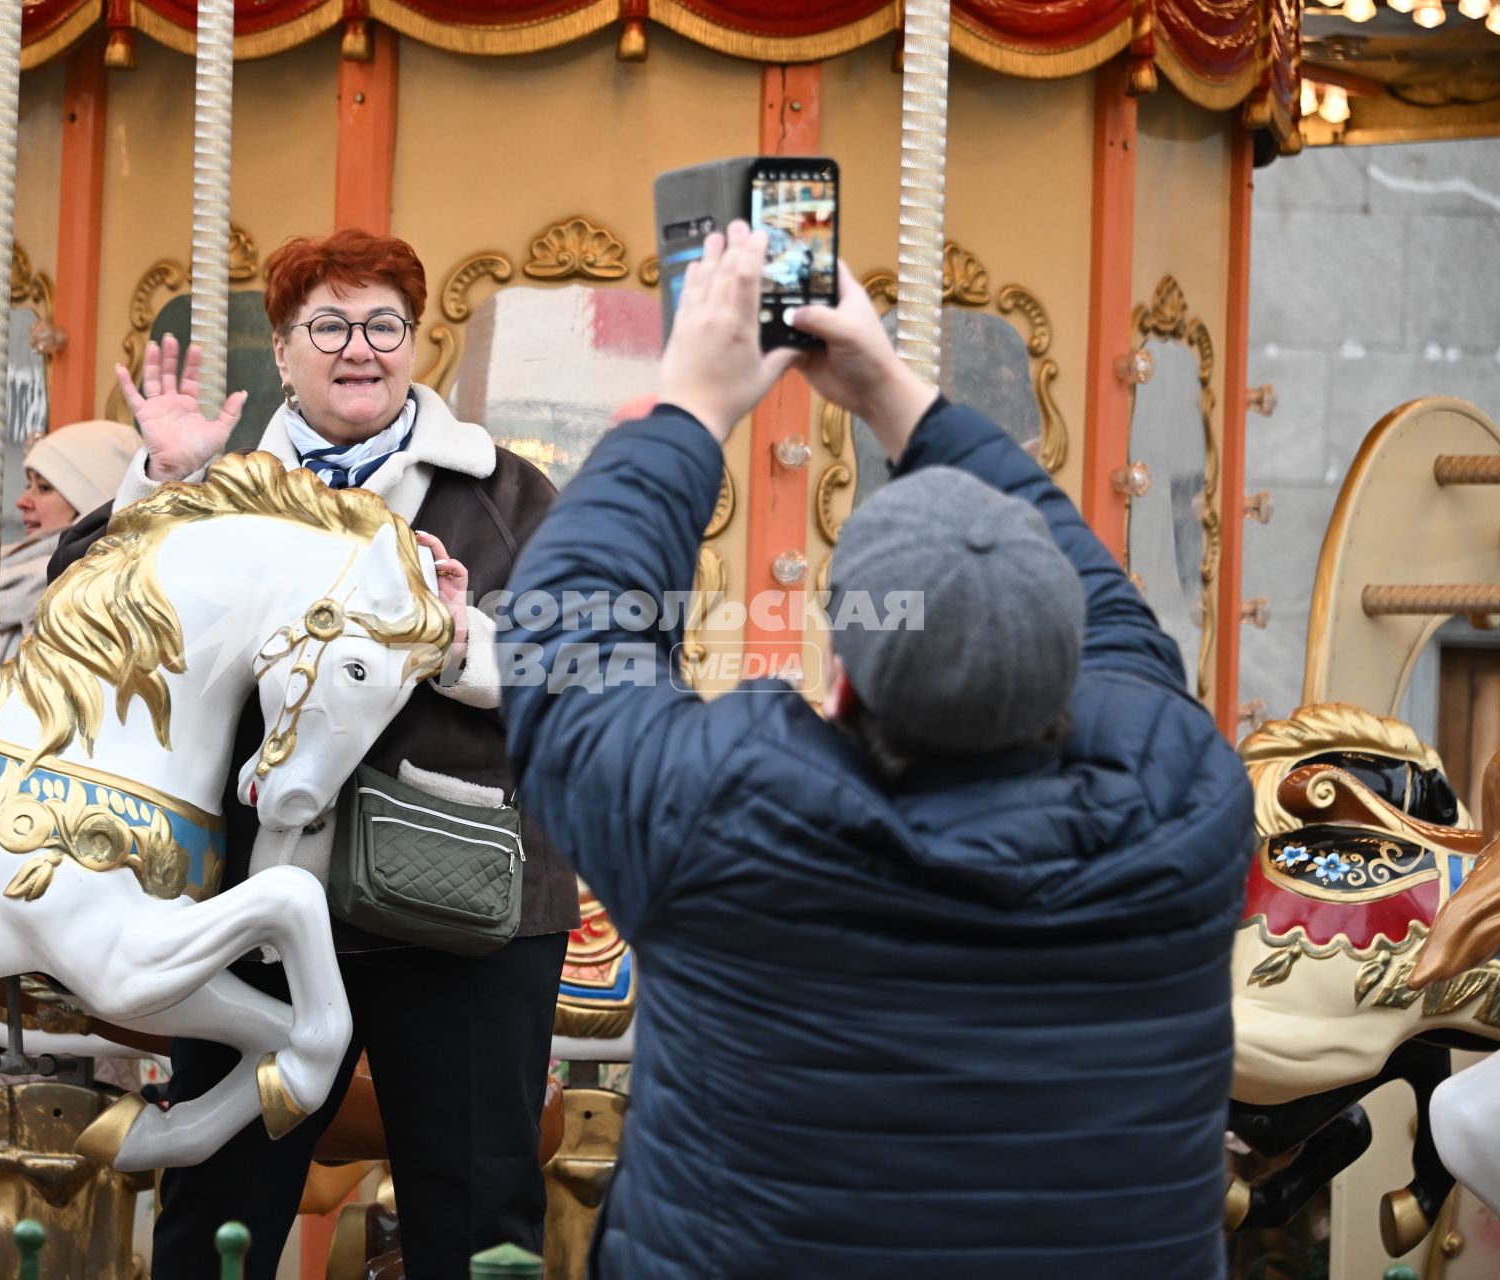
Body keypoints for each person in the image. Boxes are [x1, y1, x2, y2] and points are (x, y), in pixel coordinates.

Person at [500, 223, 1254, 1277]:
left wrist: (690, 409)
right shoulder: (1184, 801)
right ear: (1064, 662)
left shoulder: (724, 818)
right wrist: (896, 391)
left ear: (844, 679)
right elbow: (1117, 621)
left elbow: (566, 644)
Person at [49, 229, 577, 1279]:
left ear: (415, 343)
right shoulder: (229, 485)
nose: (359, 347)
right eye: (327, 324)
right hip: (256, 895)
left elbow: (585, 668)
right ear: (282, 351)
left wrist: (454, 639)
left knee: (476, 1201)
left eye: (385, 323)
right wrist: (157, 474)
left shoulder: (506, 494)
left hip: (466, 900)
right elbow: (77, 610)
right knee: (221, 1205)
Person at [0, 419, 140, 663]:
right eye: (28, 485)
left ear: (90, 503)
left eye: (43, 488)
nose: (22, 501)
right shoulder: (12, 582)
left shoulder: (94, 595)